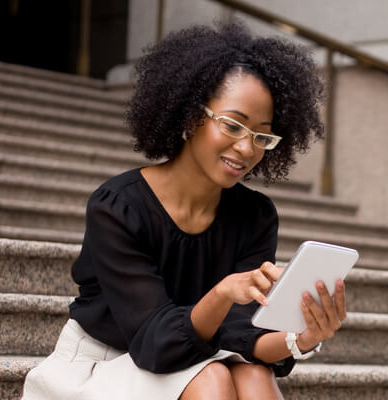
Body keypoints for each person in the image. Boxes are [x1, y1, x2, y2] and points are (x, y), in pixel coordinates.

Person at [23, 21, 341, 400]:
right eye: (233, 125)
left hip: (197, 357)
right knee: (211, 378)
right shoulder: (119, 206)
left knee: (253, 375)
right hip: (101, 365)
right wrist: (222, 294)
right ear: (192, 116)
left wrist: (302, 338)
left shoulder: (255, 216)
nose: (246, 148)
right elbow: (154, 341)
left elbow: (241, 334)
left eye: (261, 135)